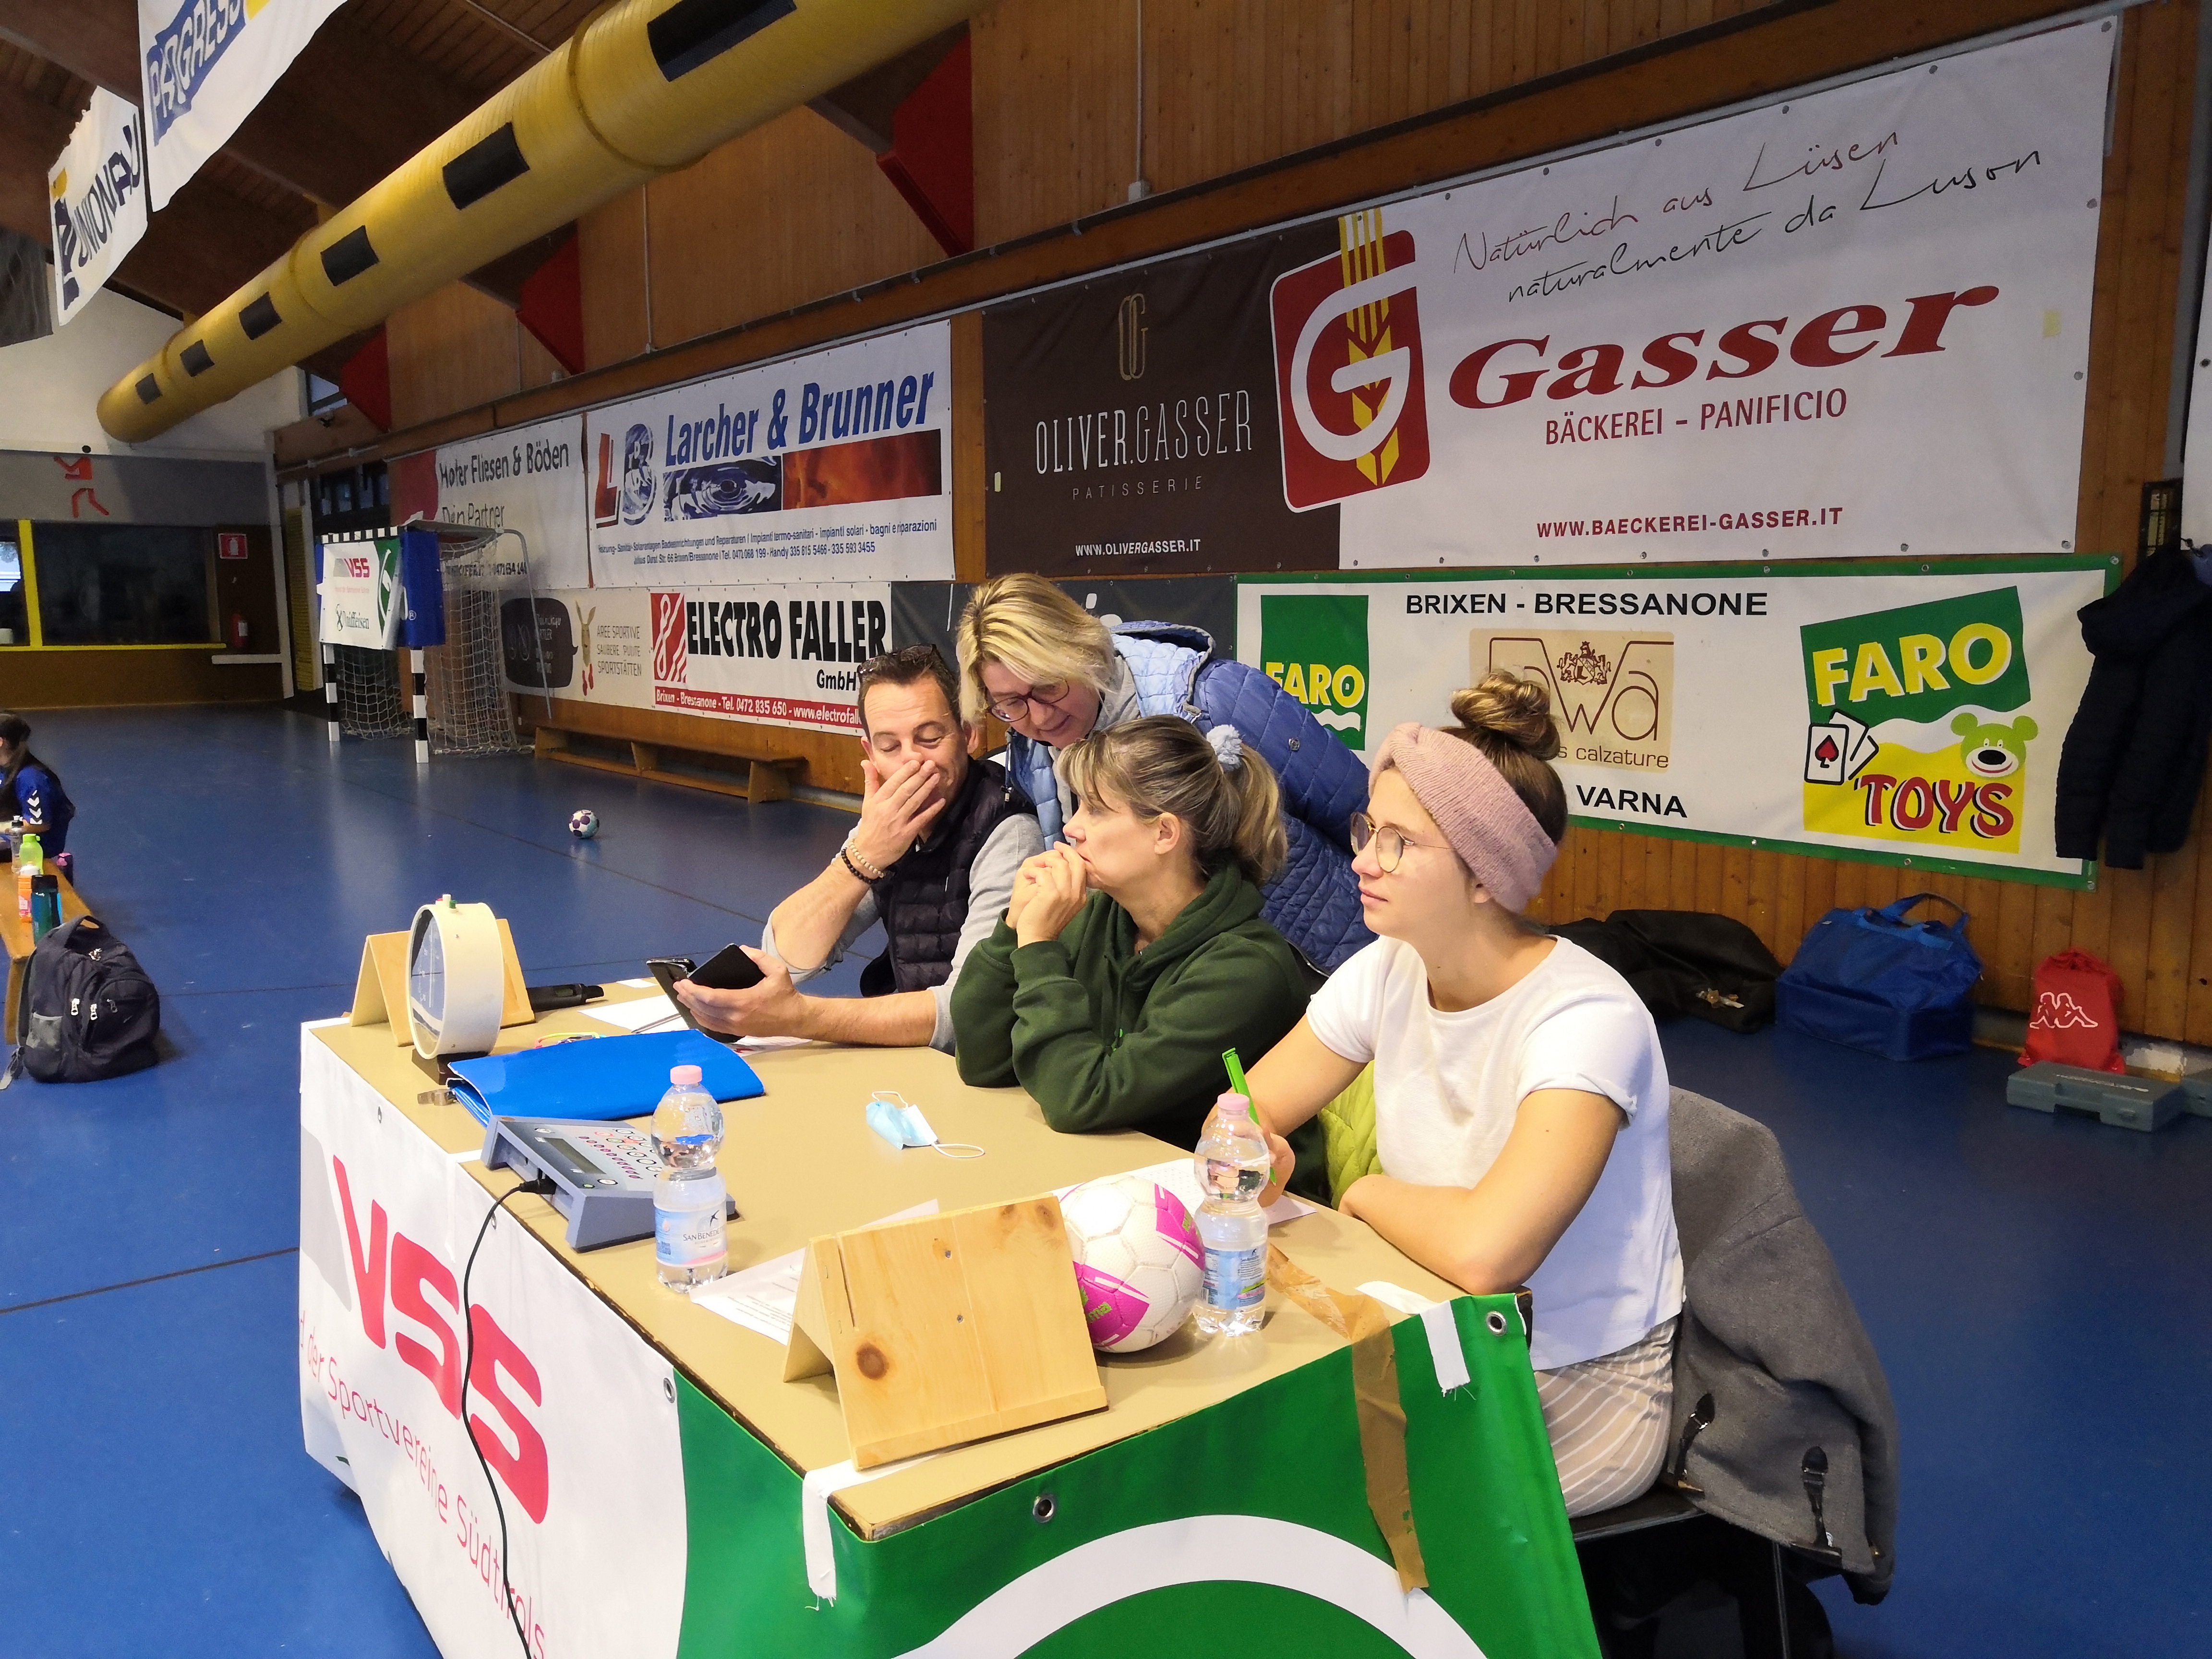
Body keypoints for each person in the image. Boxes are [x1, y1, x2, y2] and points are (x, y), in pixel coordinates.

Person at [1243, 674, 1683, 1517]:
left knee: (1312, 1501)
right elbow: (1243, 1112)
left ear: (1486, 877)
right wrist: (1246, 1145)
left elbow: (1487, 1254)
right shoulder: (1388, 969)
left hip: (1572, 1386)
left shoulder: (1585, 1019)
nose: (1363, 860)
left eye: (1399, 843)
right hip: (1432, 1323)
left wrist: (1363, 1194)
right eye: (1369, 829)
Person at [951, 715, 1322, 1190]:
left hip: (1246, 1221)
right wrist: (1013, 927)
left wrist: (1040, 949)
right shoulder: (1098, 913)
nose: (1072, 827)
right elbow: (983, 1059)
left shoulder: (1246, 969)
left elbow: (1079, 1099)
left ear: (1165, 834)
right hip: (1114, 1185)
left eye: (1097, 811)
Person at [954, 574, 1372, 973]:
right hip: (1187, 984)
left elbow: (1362, 814)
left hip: (1329, 962)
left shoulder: (1215, 699)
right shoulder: (1031, 753)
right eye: (1010, 703)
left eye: (1048, 686)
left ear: (1080, 648)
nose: (1040, 717)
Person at [674, 646, 1041, 1050]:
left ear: (969, 734)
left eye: (930, 738)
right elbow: (788, 958)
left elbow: (965, 1012)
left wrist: (802, 1018)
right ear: (870, 753)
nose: (913, 762)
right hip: (914, 1057)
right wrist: (864, 854)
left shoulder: (1009, 832)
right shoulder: (885, 825)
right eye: (890, 747)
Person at [0, 712, 74, 878]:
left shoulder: (31, 779)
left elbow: (39, 824)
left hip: (33, 846)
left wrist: (1, 827)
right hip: (8, 835)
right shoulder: (4, 769)